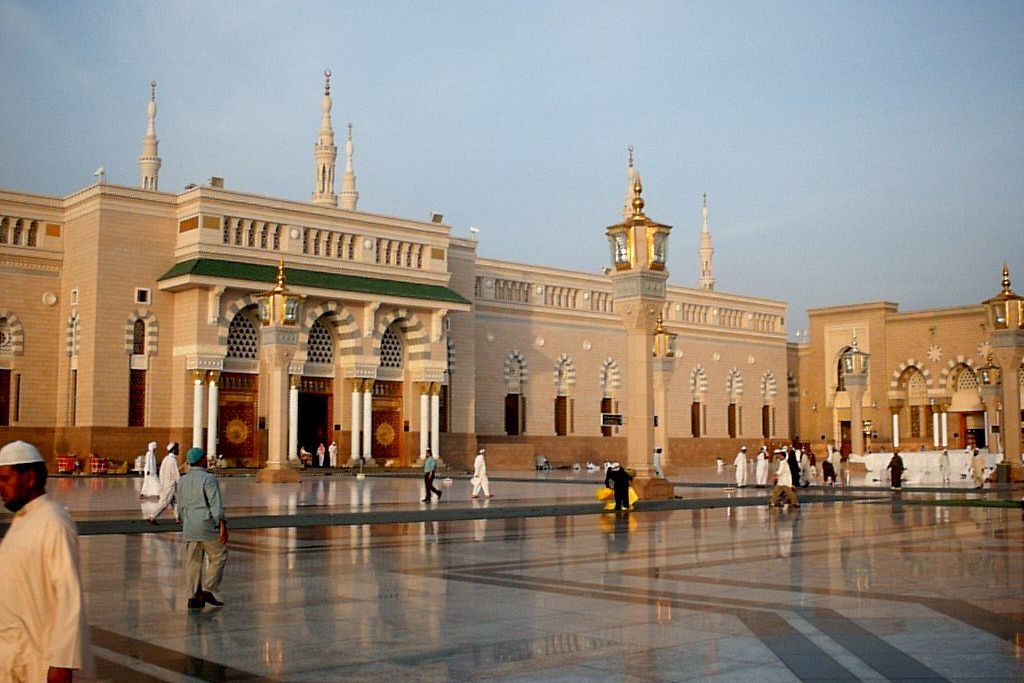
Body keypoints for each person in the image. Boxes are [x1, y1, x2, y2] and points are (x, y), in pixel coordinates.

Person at [0, 441, 93, 681]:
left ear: (29, 478)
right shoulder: (23, 520)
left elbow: (69, 597)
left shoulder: (53, 522)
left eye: (6, 479)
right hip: (13, 657)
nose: (1, 487)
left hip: (38, 662)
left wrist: (62, 663)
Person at [178, 447, 228, 610]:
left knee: (192, 562)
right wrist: (221, 524)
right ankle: (208, 588)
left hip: (189, 526)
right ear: (201, 460)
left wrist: (184, 520)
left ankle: (193, 596)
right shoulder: (208, 478)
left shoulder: (183, 480)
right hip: (206, 525)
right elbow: (215, 504)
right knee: (219, 556)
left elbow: (180, 505)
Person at [147, 442, 181, 524]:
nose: (178, 450)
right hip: (170, 485)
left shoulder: (166, 459)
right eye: (177, 449)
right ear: (173, 450)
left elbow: (161, 472)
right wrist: (180, 482)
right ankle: (152, 516)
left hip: (165, 483)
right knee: (164, 502)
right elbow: (175, 474)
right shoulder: (172, 460)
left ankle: (179, 518)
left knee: (174, 502)